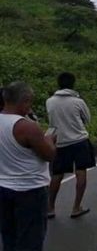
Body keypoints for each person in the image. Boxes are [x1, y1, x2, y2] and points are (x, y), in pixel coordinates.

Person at [0, 81, 56, 251]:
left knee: (9, 238)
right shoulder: (26, 127)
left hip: (3, 187)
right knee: (30, 241)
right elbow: (49, 154)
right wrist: (49, 139)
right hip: (30, 190)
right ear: (25, 100)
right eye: (30, 101)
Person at [46, 73, 94, 219]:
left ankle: (50, 208)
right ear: (73, 84)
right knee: (81, 172)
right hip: (79, 141)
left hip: (60, 142)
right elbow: (87, 119)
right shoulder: (78, 101)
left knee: (57, 174)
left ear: (58, 84)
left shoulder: (50, 101)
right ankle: (76, 207)